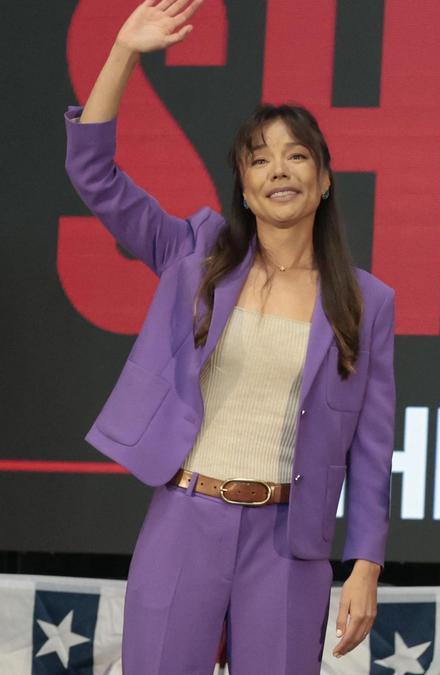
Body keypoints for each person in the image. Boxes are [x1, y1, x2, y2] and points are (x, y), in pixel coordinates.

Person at [64, 1, 396, 672]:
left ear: (324, 179)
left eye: (297, 156)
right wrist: (123, 51)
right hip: (187, 515)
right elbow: (94, 177)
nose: (279, 170)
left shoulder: (365, 301)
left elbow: (371, 446)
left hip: (287, 540)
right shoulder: (195, 253)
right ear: (243, 188)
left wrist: (366, 565)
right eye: (260, 160)